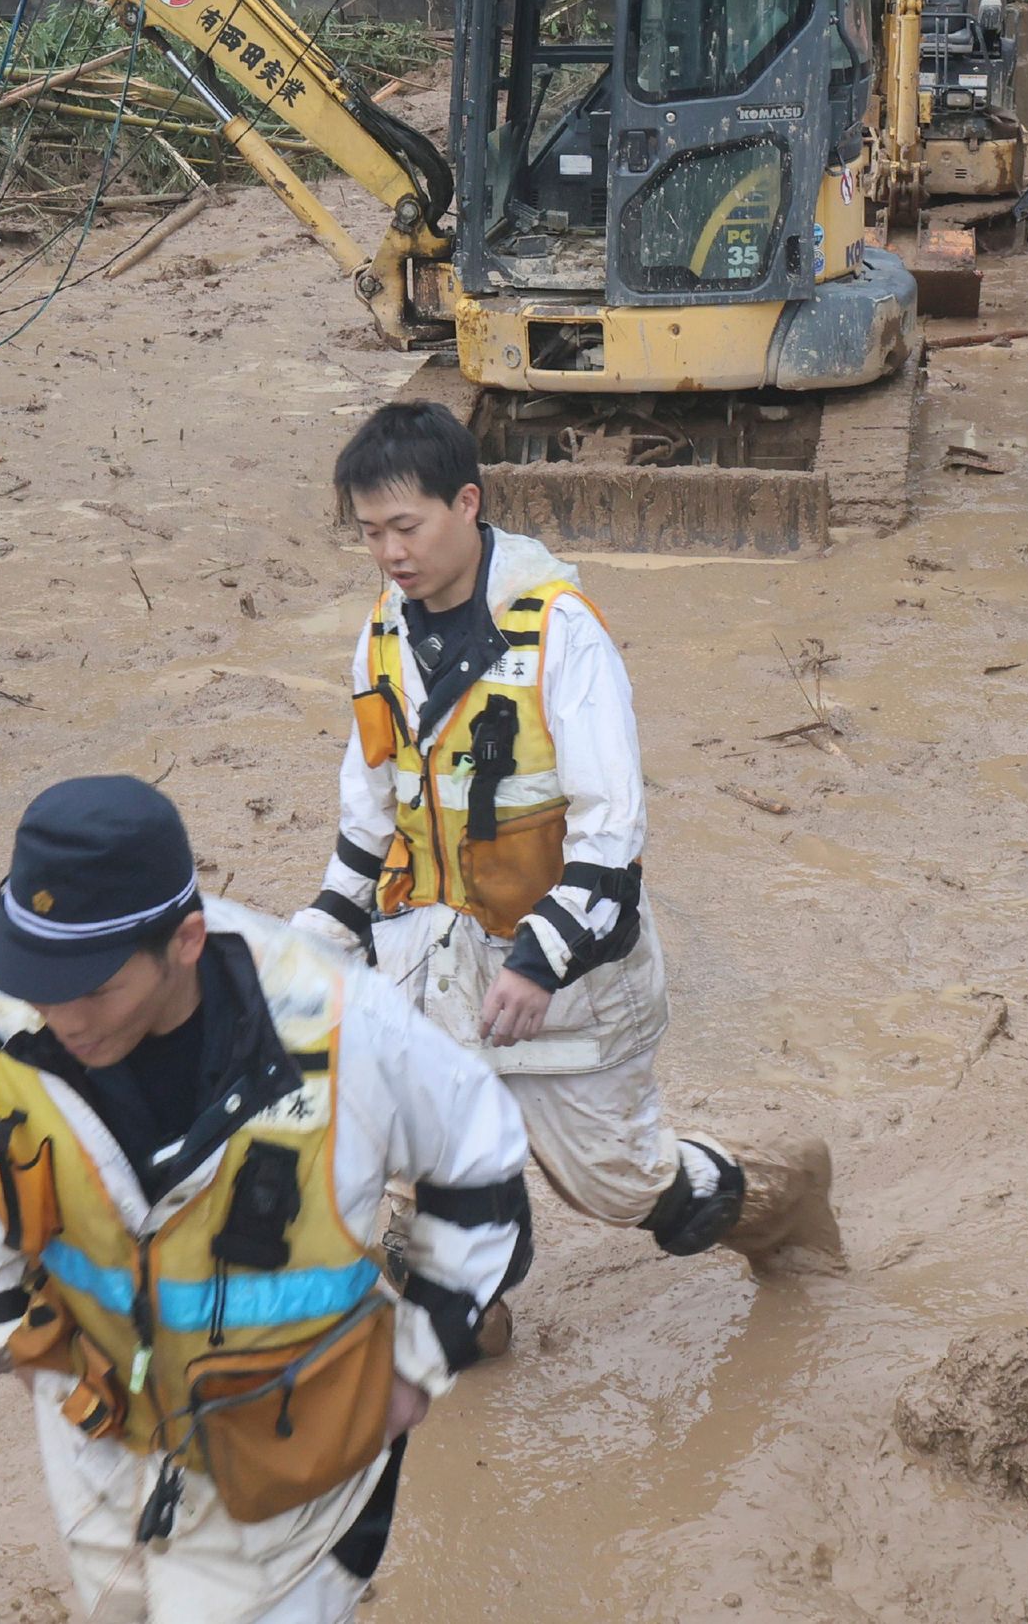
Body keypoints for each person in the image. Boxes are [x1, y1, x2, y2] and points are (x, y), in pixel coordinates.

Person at [0, 774, 530, 1624]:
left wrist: (419, 1362)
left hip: (291, 1443)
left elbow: (484, 1155)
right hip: (100, 1426)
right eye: (41, 980)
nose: (63, 1016)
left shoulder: (342, 1025)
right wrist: (0, 1328)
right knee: (118, 1609)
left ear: (185, 940)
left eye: (96, 988)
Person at [295, 402, 837, 1329]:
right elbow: (372, 814)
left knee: (622, 1186)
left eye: (406, 527)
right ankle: (463, 1291)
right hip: (440, 955)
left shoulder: (561, 635)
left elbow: (611, 831)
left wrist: (539, 961)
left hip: (570, 969)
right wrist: (312, 944)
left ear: (467, 504)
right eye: (371, 533)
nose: (390, 553)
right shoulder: (384, 630)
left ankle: (781, 1193)